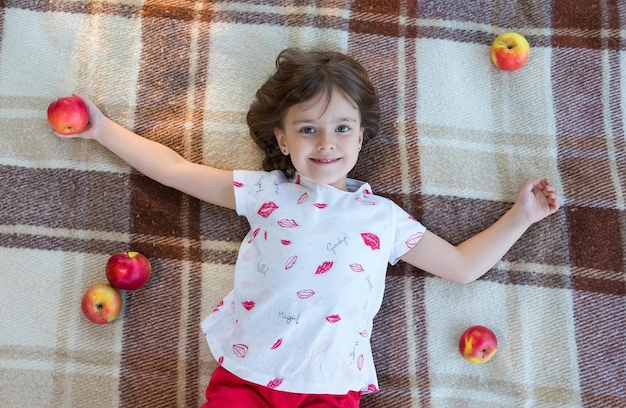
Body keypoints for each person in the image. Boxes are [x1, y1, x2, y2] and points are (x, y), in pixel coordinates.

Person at [55, 48, 560, 408]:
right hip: (246, 377)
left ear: (361, 136)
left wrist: (522, 216)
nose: (326, 142)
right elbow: (177, 171)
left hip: (329, 387)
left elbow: (463, 266)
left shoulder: (380, 219)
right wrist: (102, 128)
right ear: (281, 137)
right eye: (307, 128)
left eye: (342, 127)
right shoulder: (268, 193)